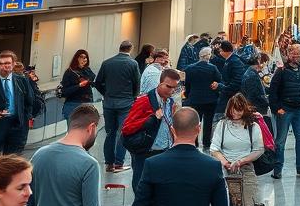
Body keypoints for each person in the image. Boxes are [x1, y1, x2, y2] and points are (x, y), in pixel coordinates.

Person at [121, 68, 181, 196]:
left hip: (164, 150)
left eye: (174, 88)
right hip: (145, 151)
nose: (171, 91)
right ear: (159, 84)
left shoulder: (169, 101)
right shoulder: (144, 100)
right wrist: (152, 119)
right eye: (168, 87)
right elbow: (127, 128)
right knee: (141, 187)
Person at [209, 94, 263, 206]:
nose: (235, 114)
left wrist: (240, 162)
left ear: (245, 110)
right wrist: (225, 162)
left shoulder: (253, 126)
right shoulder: (222, 125)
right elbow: (214, 148)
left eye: (239, 110)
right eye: (233, 110)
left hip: (246, 170)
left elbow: (259, 150)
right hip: (224, 171)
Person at [0, 51, 44, 158]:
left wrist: (26, 119)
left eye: (7, 63)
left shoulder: (22, 81)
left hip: (17, 128)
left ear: (13, 64)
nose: (4, 66)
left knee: (13, 163)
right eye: (1, 63)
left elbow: (29, 101)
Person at [94, 41, 141, 173]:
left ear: (119, 48)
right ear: (130, 49)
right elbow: (137, 83)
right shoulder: (133, 63)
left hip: (109, 102)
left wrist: (106, 93)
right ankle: (119, 163)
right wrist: (133, 97)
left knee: (110, 133)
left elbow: (98, 82)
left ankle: (109, 164)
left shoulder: (107, 63)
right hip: (126, 103)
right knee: (123, 132)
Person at [268, 44, 300, 180]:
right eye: (294, 54)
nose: (297, 57)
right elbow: (273, 92)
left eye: (299, 55)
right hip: (285, 110)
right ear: (288, 54)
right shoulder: (281, 71)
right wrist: (277, 108)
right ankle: (277, 169)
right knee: (280, 141)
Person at [182, 46, 220, 150]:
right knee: (208, 122)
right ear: (208, 56)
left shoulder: (190, 68)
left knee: (195, 122)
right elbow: (218, 81)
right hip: (210, 99)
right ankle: (206, 143)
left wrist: (188, 94)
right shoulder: (213, 68)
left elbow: (187, 84)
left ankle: (194, 142)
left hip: (194, 99)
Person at [58, 51, 95, 124]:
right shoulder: (70, 72)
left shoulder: (87, 70)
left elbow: (92, 78)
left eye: (85, 57)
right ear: (76, 59)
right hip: (73, 104)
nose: (84, 59)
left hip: (87, 104)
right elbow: (65, 91)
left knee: (85, 131)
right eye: (81, 57)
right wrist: (79, 85)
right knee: (73, 131)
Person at [213, 41, 246, 121]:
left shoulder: (234, 61)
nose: (219, 52)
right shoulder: (230, 60)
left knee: (219, 120)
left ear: (224, 51)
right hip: (227, 95)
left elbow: (236, 82)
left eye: (220, 50)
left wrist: (221, 87)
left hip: (230, 97)